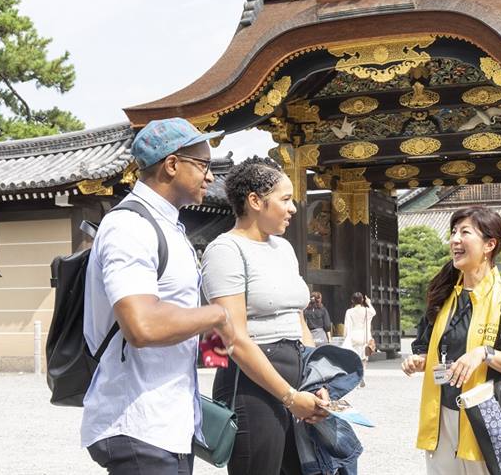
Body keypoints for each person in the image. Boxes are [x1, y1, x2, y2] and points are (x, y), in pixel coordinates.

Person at [82, 117, 235, 474]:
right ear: (171, 164)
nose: (210, 177)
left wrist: (222, 352)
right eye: (203, 165)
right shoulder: (130, 226)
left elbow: (183, 317)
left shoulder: (170, 226)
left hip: (171, 423)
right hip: (137, 423)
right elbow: (143, 325)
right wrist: (218, 315)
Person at [201, 157, 329, 475]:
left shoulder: (284, 249)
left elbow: (299, 319)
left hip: (297, 375)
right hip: (252, 383)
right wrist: (288, 396)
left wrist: (316, 380)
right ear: (256, 201)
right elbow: (234, 339)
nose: (294, 208)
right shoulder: (225, 251)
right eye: (285, 199)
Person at [401, 205, 501, 475]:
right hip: (442, 418)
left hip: (488, 418)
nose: (454, 239)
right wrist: (420, 360)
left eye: (465, 232)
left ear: (490, 244)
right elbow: (429, 345)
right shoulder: (443, 297)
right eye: (453, 232)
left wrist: (484, 353)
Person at [343, 292, 376, 387]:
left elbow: (347, 326)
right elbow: (374, 312)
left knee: (354, 358)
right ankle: (362, 376)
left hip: (353, 336)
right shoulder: (366, 310)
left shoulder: (349, 311)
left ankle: (356, 378)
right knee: (364, 359)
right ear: (362, 300)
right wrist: (369, 303)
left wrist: (346, 337)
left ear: (352, 300)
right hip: (364, 337)